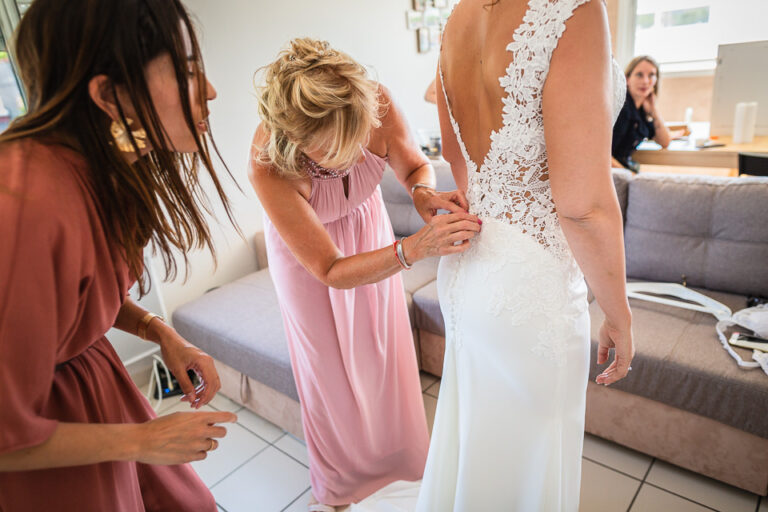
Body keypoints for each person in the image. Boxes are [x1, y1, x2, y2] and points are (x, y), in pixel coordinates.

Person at [353, 0, 635, 510]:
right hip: (533, 285)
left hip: (469, 266)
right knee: (527, 460)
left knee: (480, 440)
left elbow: (461, 170)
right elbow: (583, 207)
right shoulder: (574, 11)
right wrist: (620, 314)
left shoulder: (457, 19)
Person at [0, 0, 239, 510]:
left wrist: (161, 332)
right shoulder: (25, 202)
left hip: (96, 403)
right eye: (189, 73)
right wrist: (144, 441)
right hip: (43, 448)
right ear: (109, 94)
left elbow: (77, 300)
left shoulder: (102, 169)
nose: (211, 91)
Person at [249, 38, 481, 511]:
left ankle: (403, 467)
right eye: (334, 148)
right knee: (329, 373)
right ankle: (342, 490)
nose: (354, 153)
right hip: (312, 262)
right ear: (296, 139)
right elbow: (330, 269)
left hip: (369, 231)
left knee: (385, 351)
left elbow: (415, 165)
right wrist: (414, 248)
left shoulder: (377, 101)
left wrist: (422, 197)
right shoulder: (268, 165)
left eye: (356, 137)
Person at [611, 55, 672, 171]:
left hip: (622, 169)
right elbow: (601, 154)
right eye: (639, 75)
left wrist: (654, 111)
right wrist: (630, 176)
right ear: (627, 79)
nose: (645, 81)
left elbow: (665, 141)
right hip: (612, 173)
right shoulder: (622, 108)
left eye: (651, 75)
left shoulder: (642, 109)